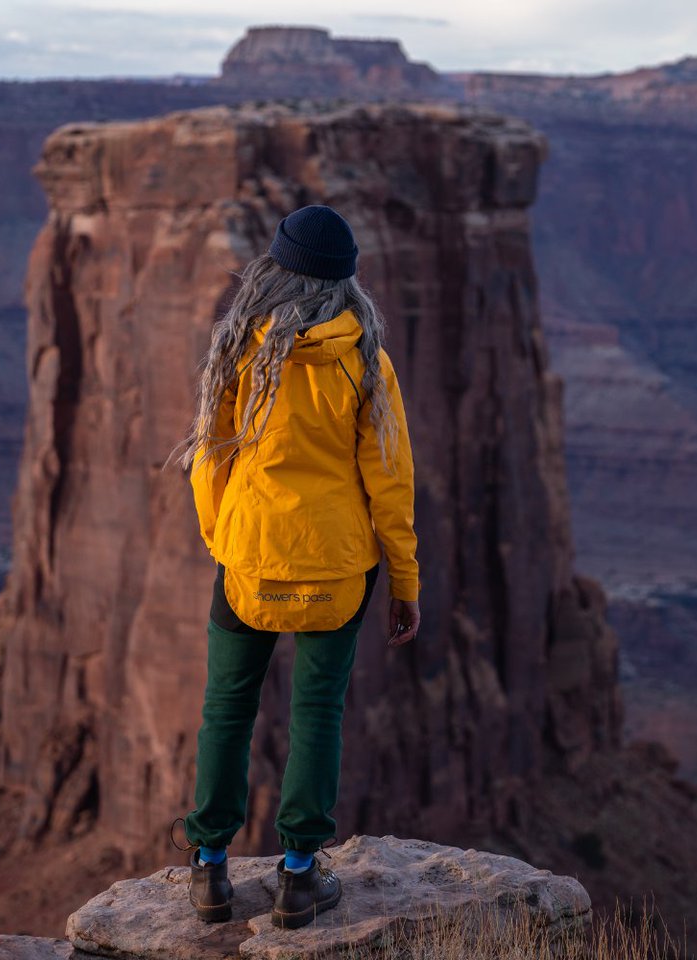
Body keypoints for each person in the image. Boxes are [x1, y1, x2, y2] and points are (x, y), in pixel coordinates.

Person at [165, 204, 422, 929]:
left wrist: (224, 540)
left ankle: (210, 867)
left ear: (275, 272)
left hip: (248, 559)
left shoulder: (240, 350)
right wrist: (405, 581)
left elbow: (206, 460)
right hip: (339, 570)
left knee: (227, 707)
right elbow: (391, 483)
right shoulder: (366, 359)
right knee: (317, 713)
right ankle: (300, 877)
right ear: (346, 284)